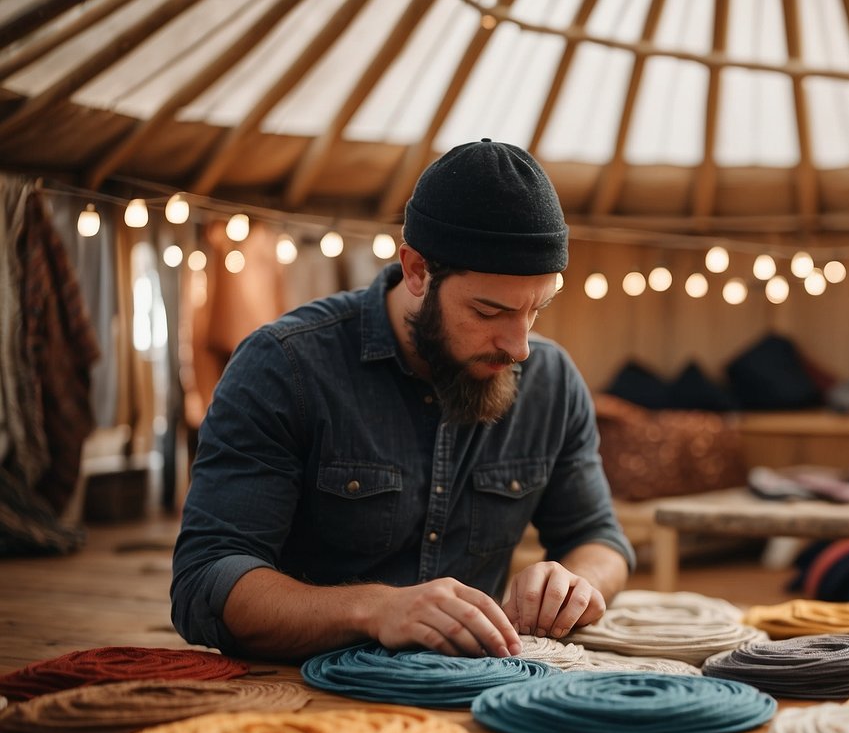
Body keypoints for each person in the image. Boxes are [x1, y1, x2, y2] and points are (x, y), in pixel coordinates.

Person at [171, 139, 634, 662]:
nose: (519, 345)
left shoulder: (552, 381)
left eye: (536, 309)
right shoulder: (284, 367)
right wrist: (373, 609)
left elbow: (600, 538)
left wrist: (576, 581)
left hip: (480, 694)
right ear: (416, 270)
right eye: (488, 312)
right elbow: (205, 581)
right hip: (296, 697)